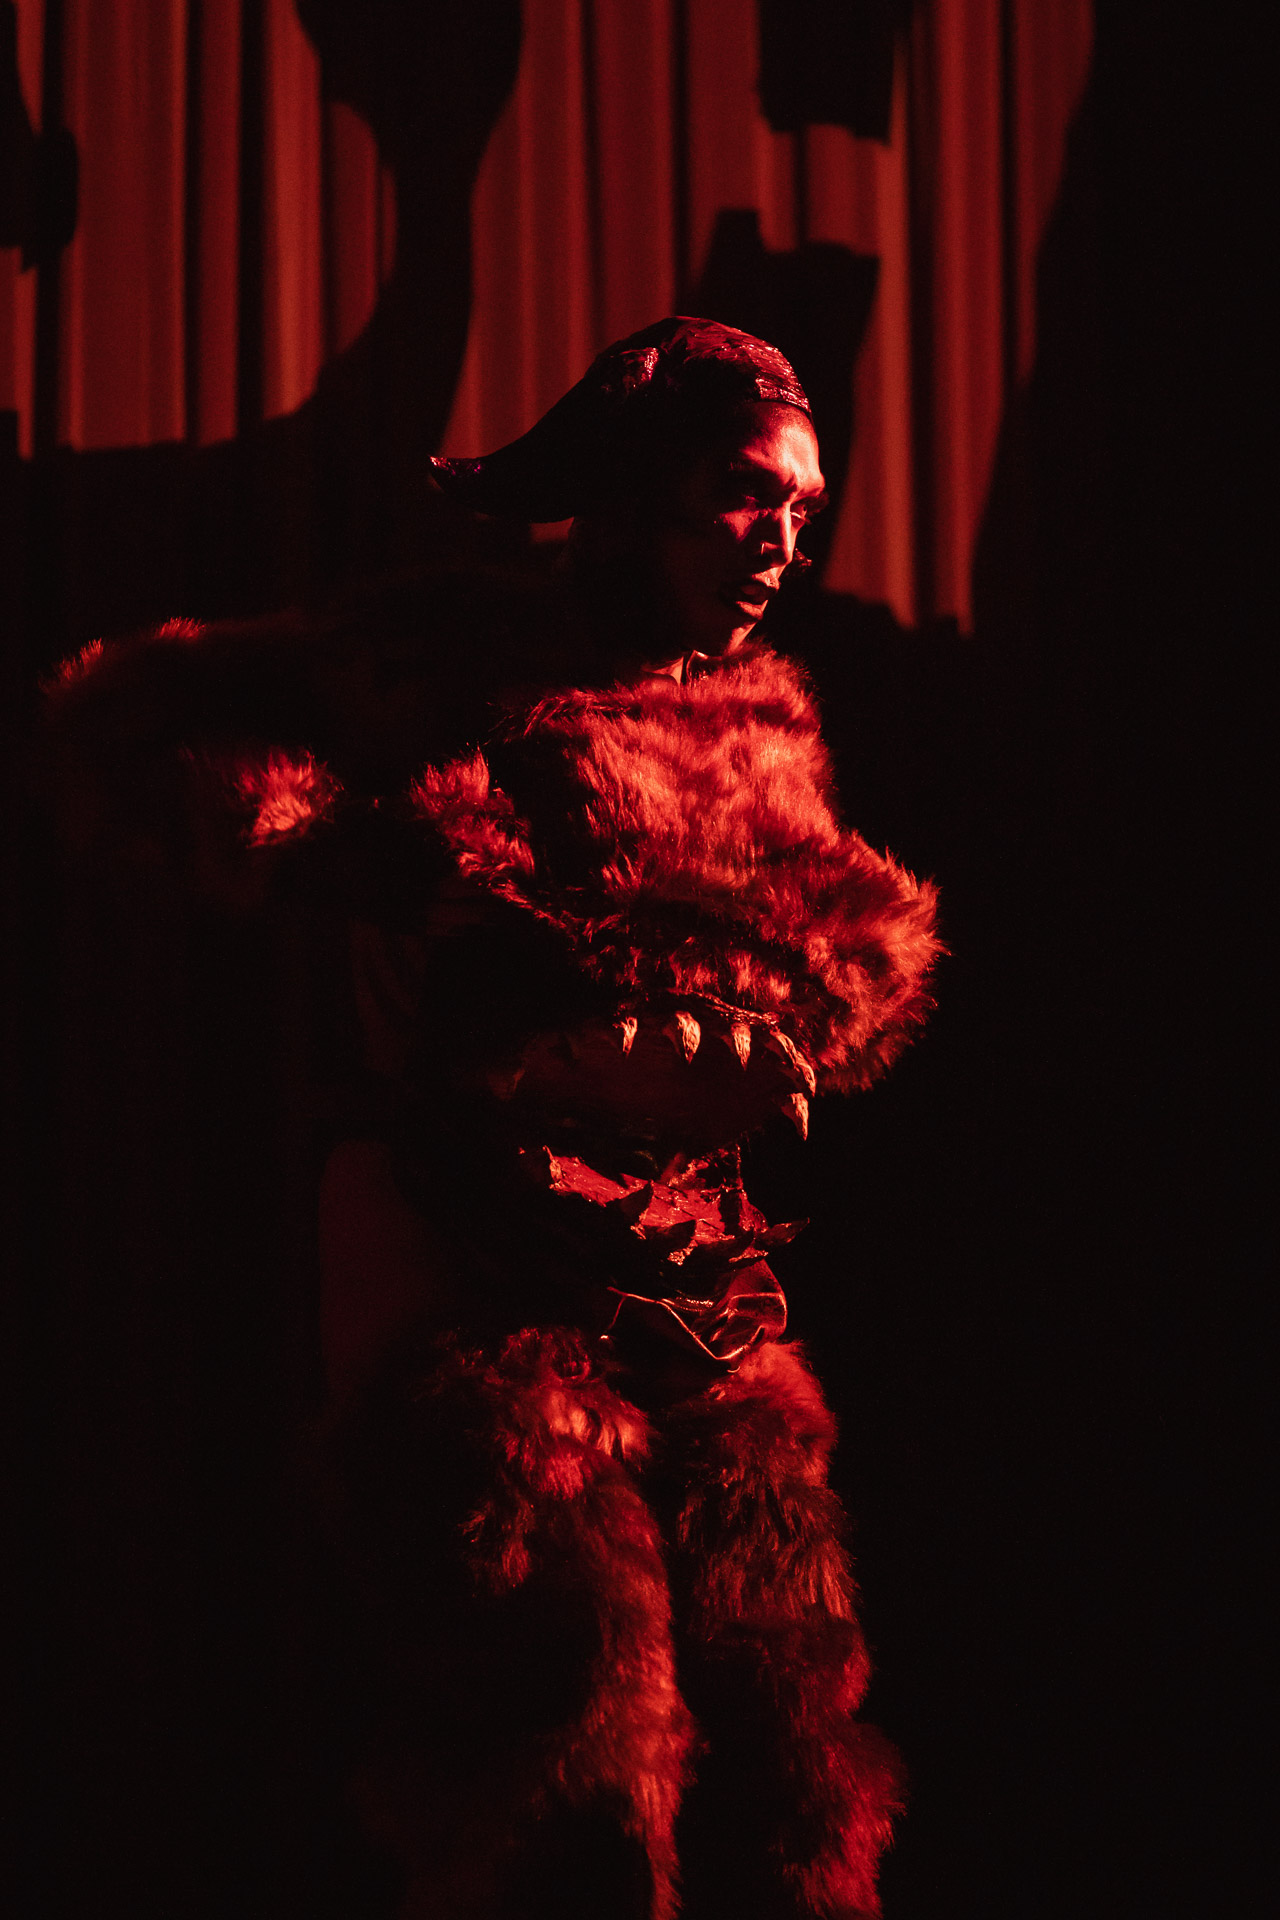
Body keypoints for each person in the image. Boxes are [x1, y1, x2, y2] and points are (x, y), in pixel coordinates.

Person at [45, 318, 940, 1919]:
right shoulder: (452, 654)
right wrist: (396, 867)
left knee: (789, 1741)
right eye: (747, 493)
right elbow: (128, 723)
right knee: (566, 1729)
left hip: (695, 1276)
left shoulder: (765, 718)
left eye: (804, 512)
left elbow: (866, 937)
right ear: (635, 488)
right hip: (469, 1263)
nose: (779, 543)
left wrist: (773, 1016)